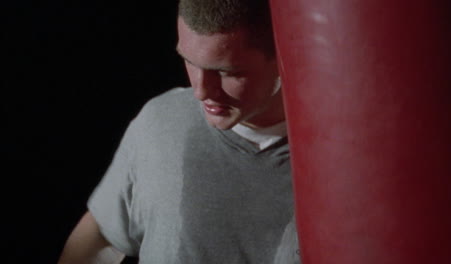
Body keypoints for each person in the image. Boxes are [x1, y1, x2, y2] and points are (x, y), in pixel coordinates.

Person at [58, 0, 299, 263]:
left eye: (226, 72)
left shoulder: (339, 157)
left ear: (283, 56)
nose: (201, 91)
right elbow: (102, 237)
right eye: (189, 62)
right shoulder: (162, 120)